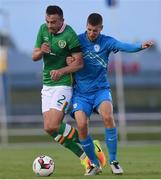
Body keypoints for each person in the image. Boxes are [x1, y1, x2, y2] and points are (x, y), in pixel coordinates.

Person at [68, 13, 153, 175]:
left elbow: (124, 46)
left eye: (95, 30)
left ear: (101, 29)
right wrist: (67, 61)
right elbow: (65, 55)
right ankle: (94, 163)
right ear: (86, 26)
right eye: (89, 30)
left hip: (101, 90)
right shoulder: (77, 41)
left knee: (108, 116)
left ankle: (114, 161)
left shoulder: (107, 41)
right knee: (81, 125)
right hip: (81, 93)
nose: (92, 33)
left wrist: (140, 46)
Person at [32, 6, 106, 174]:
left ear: (62, 21)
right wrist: (40, 52)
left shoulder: (70, 35)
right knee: (49, 129)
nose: (50, 25)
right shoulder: (43, 30)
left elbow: (79, 63)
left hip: (64, 84)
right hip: (47, 86)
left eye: (54, 22)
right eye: (48, 21)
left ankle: (89, 147)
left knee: (54, 124)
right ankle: (87, 158)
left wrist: (61, 71)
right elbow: (34, 56)